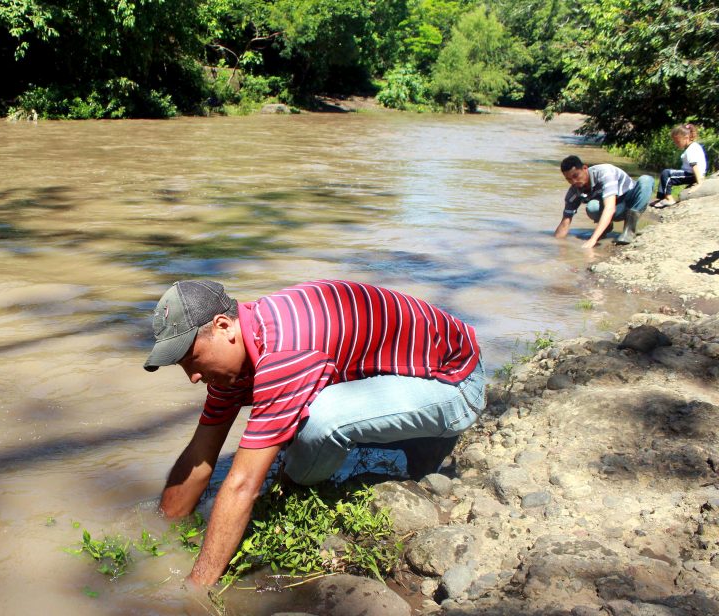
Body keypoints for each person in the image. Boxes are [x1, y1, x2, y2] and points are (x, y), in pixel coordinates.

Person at [144, 279, 485, 586]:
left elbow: (243, 484)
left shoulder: (284, 350)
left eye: (193, 358)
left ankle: (296, 489)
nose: (192, 376)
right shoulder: (237, 352)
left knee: (319, 421)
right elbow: (200, 452)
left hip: (456, 385)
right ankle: (417, 441)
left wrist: (194, 588)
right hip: (410, 371)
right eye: (182, 365)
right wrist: (161, 530)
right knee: (291, 425)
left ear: (223, 326)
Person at [555, 155, 654, 247]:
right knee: (592, 207)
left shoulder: (605, 173)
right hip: (616, 208)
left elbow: (610, 208)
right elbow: (565, 222)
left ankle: (629, 230)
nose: (573, 181)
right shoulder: (573, 192)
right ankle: (605, 228)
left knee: (646, 180)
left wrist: (593, 239)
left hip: (630, 201)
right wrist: (556, 244)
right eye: (569, 179)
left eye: (575, 176)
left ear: (585, 168)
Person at [652, 123, 708, 207]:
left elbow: (694, 166)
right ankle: (661, 198)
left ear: (686, 138)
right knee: (667, 174)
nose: (676, 144)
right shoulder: (693, 146)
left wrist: (699, 183)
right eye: (675, 142)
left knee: (666, 173)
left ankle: (669, 199)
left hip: (692, 175)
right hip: (691, 174)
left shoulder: (691, 149)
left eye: (678, 142)